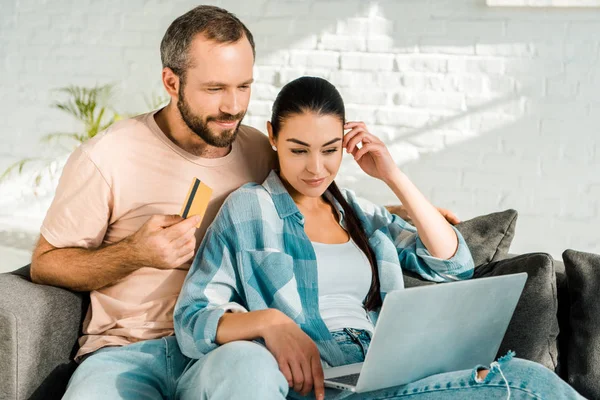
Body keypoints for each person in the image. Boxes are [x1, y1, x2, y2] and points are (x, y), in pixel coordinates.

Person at [29, 5, 455, 399]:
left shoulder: (254, 147)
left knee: (250, 367)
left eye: (244, 86)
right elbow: (46, 263)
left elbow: (310, 189)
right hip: (127, 350)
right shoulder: (107, 157)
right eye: (215, 88)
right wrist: (134, 253)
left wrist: (399, 213)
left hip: (228, 346)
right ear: (171, 82)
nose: (233, 106)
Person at [174, 76, 584, 400]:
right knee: (525, 385)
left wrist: (392, 175)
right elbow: (193, 318)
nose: (316, 168)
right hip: (311, 377)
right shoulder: (249, 209)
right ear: (273, 136)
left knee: (522, 377)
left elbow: (453, 265)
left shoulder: (358, 212)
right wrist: (270, 322)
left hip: (380, 370)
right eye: (299, 150)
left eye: (330, 149)